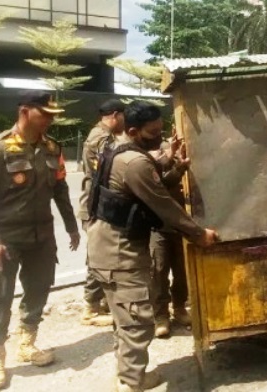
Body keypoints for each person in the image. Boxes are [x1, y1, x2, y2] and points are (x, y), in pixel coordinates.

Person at [86, 100, 219, 392]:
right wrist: (199, 234)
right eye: (153, 132)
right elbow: (163, 205)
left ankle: (126, 374)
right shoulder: (135, 162)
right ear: (133, 131)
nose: (160, 137)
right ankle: (132, 383)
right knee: (137, 322)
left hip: (106, 246)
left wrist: (174, 166)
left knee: (123, 319)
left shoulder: (117, 149)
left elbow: (147, 182)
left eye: (162, 130)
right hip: (120, 253)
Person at [0, 91, 80, 390]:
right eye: (44, 114)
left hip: (41, 237)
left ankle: (27, 342)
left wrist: (71, 225)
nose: (50, 119)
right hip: (6, 239)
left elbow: (60, 190)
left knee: (39, 288)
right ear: (25, 111)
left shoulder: (51, 148)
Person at [77, 98, 126, 327]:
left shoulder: (101, 135)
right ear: (115, 115)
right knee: (98, 256)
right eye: (123, 116)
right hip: (96, 205)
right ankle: (90, 306)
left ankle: (101, 301)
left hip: (98, 203)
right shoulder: (102, 138)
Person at [149, 135, 192, 337]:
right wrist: (179, 167)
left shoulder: (173, 155)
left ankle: (180, 307)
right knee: (159, 272)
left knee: (181, 270)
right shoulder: (150, 159)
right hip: (158, 226)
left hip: (179, 224)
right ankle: (161, 316)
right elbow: (162, 186)